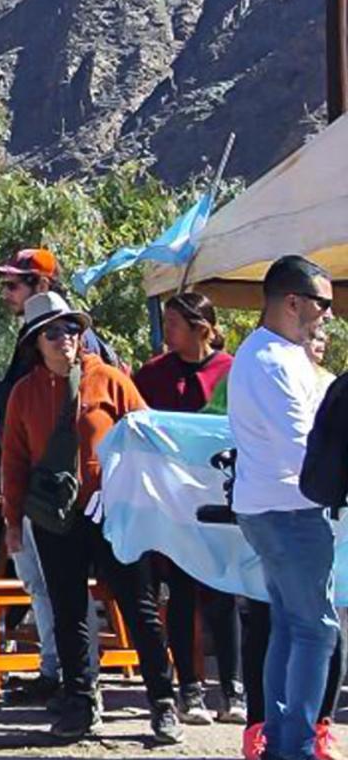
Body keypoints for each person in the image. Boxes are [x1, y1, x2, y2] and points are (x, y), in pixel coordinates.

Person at [0, 292, 178, 744]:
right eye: (53, 332)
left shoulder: (111, 381)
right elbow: (14, 461)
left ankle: (162, 702)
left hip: (114, 512)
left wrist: (138, 497)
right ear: (35, 343)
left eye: (72, 329)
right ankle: (80, 703)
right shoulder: (24, 393)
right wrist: (12, 522)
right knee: (68, 609)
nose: (65, 339)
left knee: (139, 607)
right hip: (55, 517)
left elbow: (149, 439)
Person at [0, 247, 112, 701]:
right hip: (42, 489)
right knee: (42, 582)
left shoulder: (73, 341)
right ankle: (59, 670)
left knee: (64, 585)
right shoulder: (38, 336)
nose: (5, 292)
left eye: (15, 283)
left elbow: (59, 410)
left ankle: (78, 676)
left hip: (65, 492)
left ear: (42, 286)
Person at [230, 256, 338, 760]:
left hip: (270, 506)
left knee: (292, 626)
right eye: (322, 305)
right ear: (292, 301)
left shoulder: (267, 354)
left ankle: (278, 751)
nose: (326, 317)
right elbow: (305, 446)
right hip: (290, 509)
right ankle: (293, 756)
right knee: (316, 629)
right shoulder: (273, 361)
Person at [132, 292, 242, 727]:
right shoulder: (153, 375)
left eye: (175, 323)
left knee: (224, 593)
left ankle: (233, 690)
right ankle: (189, 690)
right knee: (180, 594)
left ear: (203, 328)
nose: (168, 331)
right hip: (175, 502)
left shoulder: (233, 373)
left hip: (223, 498)